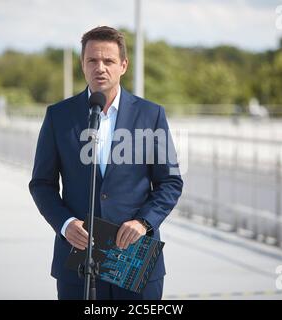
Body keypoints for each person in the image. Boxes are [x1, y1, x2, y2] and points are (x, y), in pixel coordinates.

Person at [29, 26, 183, 300]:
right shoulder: (58, 116)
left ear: (123, 65)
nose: (100, 67)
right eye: (92, 60)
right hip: (78, 258)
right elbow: (42, 184)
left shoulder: (151, 115)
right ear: (82, 65)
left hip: (135, 257)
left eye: (109, 61)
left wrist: (143, 223)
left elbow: (169, 182)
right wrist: (65, 224)